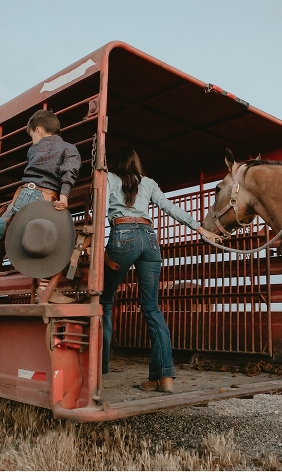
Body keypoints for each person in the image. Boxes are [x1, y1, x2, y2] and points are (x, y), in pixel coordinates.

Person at [100, 145, 223, 393]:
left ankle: (100, 368)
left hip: (123, 236)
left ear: (116, 163)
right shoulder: (149, 182)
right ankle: (164, 377)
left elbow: (102, 211)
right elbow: (168, 207)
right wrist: (199, 228)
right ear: (136, 163)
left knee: (105, 303)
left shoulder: (109, 178)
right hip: (150, 240)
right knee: (151, 308)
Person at [0, 109, 80, 302]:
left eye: (32, 136)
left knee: (3, 224)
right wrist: (64, 195)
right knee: (49, 239)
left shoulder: (33, 150)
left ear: (38, 129)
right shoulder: (68, 148)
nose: (32, 141)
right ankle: (44, 290)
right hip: (46, 197)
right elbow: (68, 171)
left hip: (24, 193)